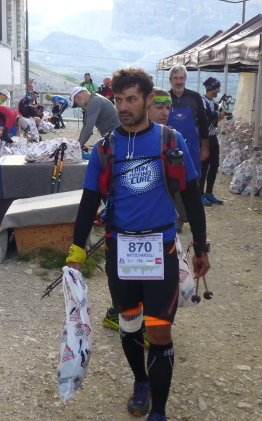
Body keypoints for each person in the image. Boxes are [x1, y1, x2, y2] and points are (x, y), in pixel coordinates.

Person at [66, 68, 210, 421]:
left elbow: (191, 196)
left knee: (159, 331)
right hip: (121, 250)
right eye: (118, 100)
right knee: (129, 326)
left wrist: (201, 246)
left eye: (131, 99)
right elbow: (88, 203)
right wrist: (76, 252)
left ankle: (158, 416)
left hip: (161, 249)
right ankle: (141, 381)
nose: (123, 107)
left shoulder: (170, 141)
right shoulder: (105, 148)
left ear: (148, 100)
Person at [101, 86, 178, 338]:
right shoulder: (115, 142)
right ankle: (121, 315)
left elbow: (182, 187)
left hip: (159, 234)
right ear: (147, 105)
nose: (165, 112)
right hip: (125, 235)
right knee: (131, 292)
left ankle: (148, 325)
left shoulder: (171, 139)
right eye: (159, 107)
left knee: (153, 287)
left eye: (168, 108)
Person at [167, 64, 210, 231]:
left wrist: (205, 147)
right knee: (172, 181)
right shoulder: (165, 98)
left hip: (191, 146)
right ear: (170, 80)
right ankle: (177, 218)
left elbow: (204, 123)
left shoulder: (194, 97)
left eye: (181, 78)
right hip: (169, 146)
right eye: (175, 78)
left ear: (185, 79)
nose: (179, 81)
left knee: (191, 181)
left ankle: (189, 217)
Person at [201, 76, 226, 206]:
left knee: (214, 165)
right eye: (217, 88)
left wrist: (220, 116)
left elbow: (215, 121)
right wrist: (216, 114)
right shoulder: (202, 101)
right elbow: (205, 118)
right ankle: (200, 193)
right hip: (204, 137)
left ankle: (209, 192)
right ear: (212, 88)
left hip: (213, 136)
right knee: (203, 166)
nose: (219, 90)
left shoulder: (214, 103)